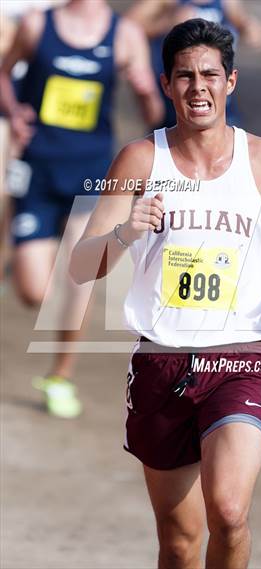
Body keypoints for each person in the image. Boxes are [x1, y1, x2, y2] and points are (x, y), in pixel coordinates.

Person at [71, 18, 261, 569]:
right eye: (184, 76)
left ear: (230, 82)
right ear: (165, 84)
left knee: (229, 511)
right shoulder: (139, 161)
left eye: (210, 75)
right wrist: (125, 232)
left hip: (245, 356)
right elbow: (79, 266)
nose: (198, 88)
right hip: (161, 364)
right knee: (180, 542)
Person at [0, 0, 163, 418]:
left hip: (92, 173)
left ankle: (60, 376)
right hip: (37, 171)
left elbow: (155, 115)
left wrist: (146, 93)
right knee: (34, 291)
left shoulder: (124, 36)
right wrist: (15, 113)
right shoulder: (38, 25)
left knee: (81, 274)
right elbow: (4, 73)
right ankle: (30, 263)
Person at [126, 0, 261, 127]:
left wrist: (249, 28)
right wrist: (168, 22)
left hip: (220, 105)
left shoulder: (226, 3)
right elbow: (126, 29)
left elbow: (246, 25)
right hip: (175, 101)